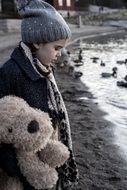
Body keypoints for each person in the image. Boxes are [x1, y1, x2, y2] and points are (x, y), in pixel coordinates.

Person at [0, 0, 79, 190]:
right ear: (37, 42)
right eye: (57, 48)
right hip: (21, 168)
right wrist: (16, 167)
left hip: (46, 151)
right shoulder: (11, 72)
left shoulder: (43, 69)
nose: (60, 54)